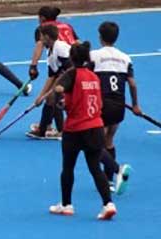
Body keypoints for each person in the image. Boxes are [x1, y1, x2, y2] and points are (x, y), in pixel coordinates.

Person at [49, 41, 117, 221]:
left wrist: (60, 101)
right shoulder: (93, 77)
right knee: (95, 168)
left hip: (76, 128)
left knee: (68, 167)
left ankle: (66, 204)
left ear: (72, 57)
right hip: (95, 126)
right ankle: (108, 204)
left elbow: (58, 88)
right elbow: (98, 102)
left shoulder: (71, 74)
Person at [91, 21, 143, 194]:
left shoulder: (94, 56)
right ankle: (109, 181)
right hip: (119, 103)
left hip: (102, 103)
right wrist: (135, 105)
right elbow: (132, 84)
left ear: (100, 37)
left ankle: (116, 169)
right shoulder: (125, 58)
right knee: (109, 140)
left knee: (95, 144)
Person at [27, 24, 72, 139]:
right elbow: (51, 77)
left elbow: (69, 69)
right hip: (67, 77)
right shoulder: (50, 53)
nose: (40, 40)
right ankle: (42, 131)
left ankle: (62, 131)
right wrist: (40, 96)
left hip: (76, 76)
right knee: (49, 98)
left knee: (56, 95)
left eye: (41, 37)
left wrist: (55, 87)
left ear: (47, 37)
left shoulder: (61, 48)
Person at [28, 6, 78, 81]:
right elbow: (77, 42)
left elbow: (39, 46)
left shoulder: (42, 28)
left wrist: (33, 66)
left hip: (63, 60)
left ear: (42, 18)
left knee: (57, 81)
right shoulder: (67, 26)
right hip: (76, 58)